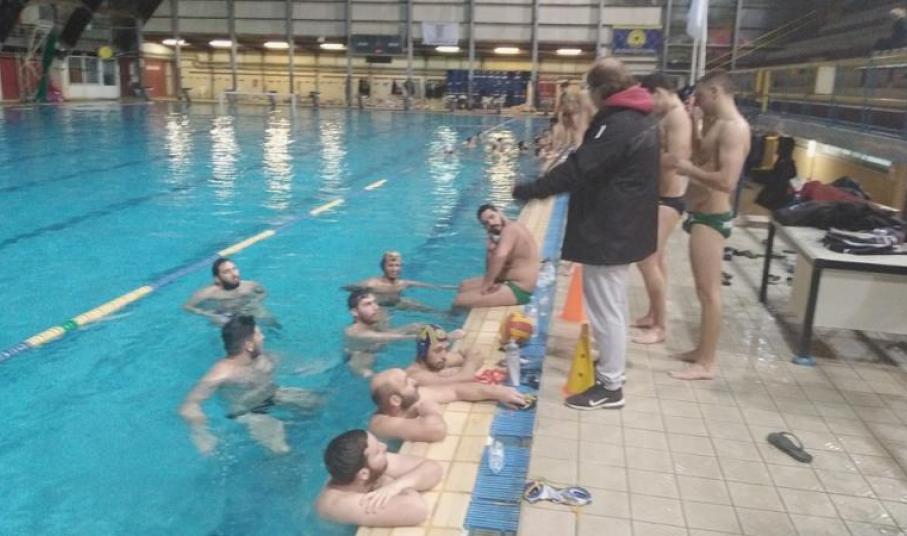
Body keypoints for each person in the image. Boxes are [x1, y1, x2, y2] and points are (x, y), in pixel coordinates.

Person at [512, 58, 659, 410]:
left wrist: (532, 189)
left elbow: (578, 169)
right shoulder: (637, 118)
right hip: (622, 227)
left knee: (606, 309)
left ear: (601, 91)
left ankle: (610, 387)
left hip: (611, 231)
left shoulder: (619, 124)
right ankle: (612, 367)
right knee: (614, 306)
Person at [666, 70, 751, 381]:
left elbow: (727, 181)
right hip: (700, 213)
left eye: (700, 96)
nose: (697, 101)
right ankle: (701, 351)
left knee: (709, 292)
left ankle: (707, 363)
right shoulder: (716, 123)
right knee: (703, 291)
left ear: (716, 92)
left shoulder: (735, 129)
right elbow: (702, 155)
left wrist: (688, 170)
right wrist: (693, 121)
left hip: (712, 217)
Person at [179, 316, 320, 454]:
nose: (263, 337)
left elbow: (297, 364)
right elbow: (189, 406)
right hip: (249, 413)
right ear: (249, 345)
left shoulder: (264, 357)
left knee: (320, 402)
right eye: (258, 334)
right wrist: (201, 434)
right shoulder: (223, 373)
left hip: (274, 395)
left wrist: (316, 366)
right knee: (281, 450)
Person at [632, 73, 694, 345]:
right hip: (659, 196)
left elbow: (677, 159)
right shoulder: (668, 115)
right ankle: (652, 314)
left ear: (659, 92)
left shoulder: (677, 117)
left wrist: (640, 156)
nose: (649, 106)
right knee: (657, 260)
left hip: (669, 199)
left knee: (645, 259)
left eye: (650, 99)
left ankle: (660, 326)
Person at [316, 429, 443, 527]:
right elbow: (417, 510)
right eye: (377, 451)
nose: (384, 446)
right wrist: (387, 482)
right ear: (364, 474)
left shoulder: (365, 466)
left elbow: (433, 468)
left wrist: (395, 486)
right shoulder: (340, 504)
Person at [368, 368, 527, 442]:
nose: (414, 381)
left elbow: (456, 390)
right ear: (395, 401)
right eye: (407, 382)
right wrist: (430, 411)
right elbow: (435, 431)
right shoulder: (381, 424)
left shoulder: (411, 397)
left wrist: (497, 392)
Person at [453, 204, 539, 308]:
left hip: (520, 289)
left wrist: (487, 284)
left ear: (499, 212)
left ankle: (449, 316)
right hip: (507, 280)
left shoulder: (511, 230)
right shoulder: (505, 232)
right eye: (486, 223)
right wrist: (490, 249)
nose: (491, 223)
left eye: (492, 217)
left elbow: (500, 256)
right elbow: (490, 268)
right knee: (463, 286)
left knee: (459, 300)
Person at [344, 290, 433, 377]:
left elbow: (397, 304)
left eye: (375, 302)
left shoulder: (376, 316)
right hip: (362, 355)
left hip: (379, 343)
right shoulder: (357, 334)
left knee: (417, 326)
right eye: (368, 304)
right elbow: (401, 337)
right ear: (354, 312)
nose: (376, 307)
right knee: (366, 371)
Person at [344, 251, 454, 309]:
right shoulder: (372, 283)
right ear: (383, 267)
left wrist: (454, 288)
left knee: (429, 309)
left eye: (397, 266)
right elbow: (350, 290)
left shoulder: (403, 283)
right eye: (391, 265)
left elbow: (433, 286)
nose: (395, 269)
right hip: (380, 307)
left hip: (397, 303)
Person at [183, 257, 276, 326]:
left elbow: (263, 292)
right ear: (217, 279)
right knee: (222, 322)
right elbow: (187, 306)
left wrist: (256, 301)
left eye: (234, 269)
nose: (234, 274)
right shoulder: (208, 292)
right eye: (227, 272)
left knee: (269, 319)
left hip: (246, 307)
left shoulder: (249, 285)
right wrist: (210, 314)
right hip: (223, 312)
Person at [405, 324, 485, 386]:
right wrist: (463, 369)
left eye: (446, 348)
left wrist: (457, 370)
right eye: (438, 350)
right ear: (423, 352)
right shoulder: (416, 376)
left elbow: (476, 353)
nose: (444, 355)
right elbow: (465, 379)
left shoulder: (439, 361)